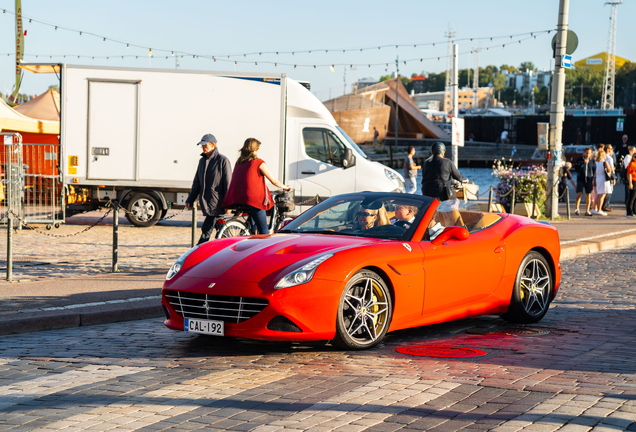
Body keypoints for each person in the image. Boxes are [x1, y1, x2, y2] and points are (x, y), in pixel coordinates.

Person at [222, 138, 291, 235]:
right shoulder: (259, 163)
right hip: (253, 200)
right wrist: (285, 187)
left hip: (237, 199)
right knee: (264, 231)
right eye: (258, 148)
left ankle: (248, 233)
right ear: (254, 150)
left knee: (254, 225)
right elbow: (274, 180)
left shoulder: (239, 162)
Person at [185, 133, 232, 245]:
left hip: (218, 203)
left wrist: (228, 204)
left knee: (207, 231)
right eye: (201, 145)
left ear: (213, 145)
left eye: (205, 145)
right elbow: (197, 183)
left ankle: (197, 253)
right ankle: (229, 249)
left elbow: (228, 184)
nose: (202, 147)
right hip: (207, 202)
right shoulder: (202, 161)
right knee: (221, 232)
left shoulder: (223, 160)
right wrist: (190, 199)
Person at [574, 147, 595, 217]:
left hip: (589, 179)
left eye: (589, 153)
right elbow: (576, 169)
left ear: (591, 154)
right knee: (579, 194)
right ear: (584, 153)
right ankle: (577, 209)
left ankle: (587, 210)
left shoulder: (592, 161)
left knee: (588, 195)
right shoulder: (579, 160)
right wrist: (583, 163)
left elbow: (594, 170)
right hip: (581, 179)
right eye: (586, 153)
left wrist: (593, 178)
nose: (587, 154)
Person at [591, 149, 610, 216]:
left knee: (599, 194)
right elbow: (609, 170)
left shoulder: (595, 163)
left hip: (598, 178)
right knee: (603, 195)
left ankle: (594, 208)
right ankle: (599, 209)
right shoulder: (604, 162)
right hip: (603, 179)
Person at [602, 145, 617, 212]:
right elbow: (611, 169)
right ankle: (606, 205)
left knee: (603, 192)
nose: (612, 150)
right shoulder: (609, 158)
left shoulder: (602, 156)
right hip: (608, 176)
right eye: (611, 149)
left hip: (602, 176)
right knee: (609, 191)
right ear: (608, 150)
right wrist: (614, 179)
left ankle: (602, 205)